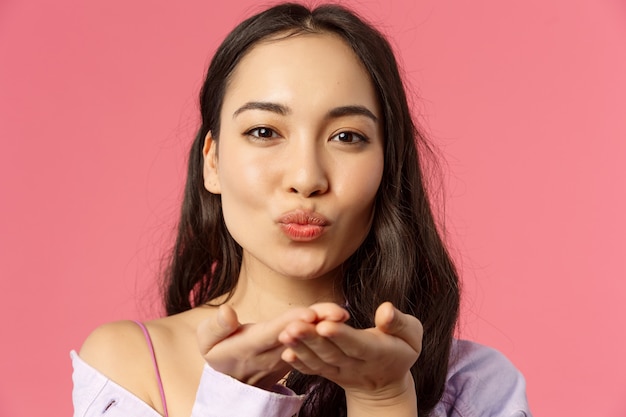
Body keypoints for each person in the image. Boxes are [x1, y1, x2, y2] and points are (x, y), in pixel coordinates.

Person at [71, 3, 532, 417]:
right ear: (212, 161)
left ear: (387, 165)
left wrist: (384, 398)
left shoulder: (475, 387)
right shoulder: (128, 365)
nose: (307, 178)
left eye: (347, 137)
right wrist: (235, 395)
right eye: (264, 132)